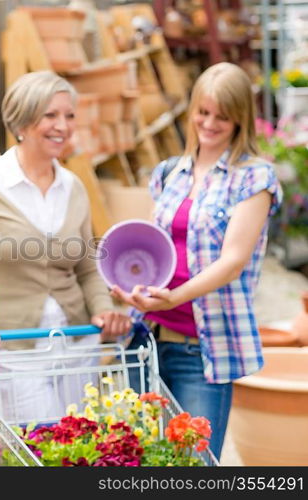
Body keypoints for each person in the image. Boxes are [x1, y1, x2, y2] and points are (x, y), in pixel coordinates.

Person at [111, 62, 282, 459]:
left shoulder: (254, 179)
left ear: (241, 119)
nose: (209, 123)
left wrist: (174, 298)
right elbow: (157, 250)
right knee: (139, 463)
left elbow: (233, 261)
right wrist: (126, 285)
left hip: (200, 350)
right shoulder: (171, 172)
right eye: (203, 112)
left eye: (222, 116)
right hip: (148, 339)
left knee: (193, 467)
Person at [0, 71, 131, 423]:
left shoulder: (73, 187)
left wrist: (103, 309)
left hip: (77, 343)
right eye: (50, 115)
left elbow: (86, 266)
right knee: (36, 451)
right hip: (14, 349)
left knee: (80, 448)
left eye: (69, 116)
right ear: (22, 120)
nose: (62, 126)